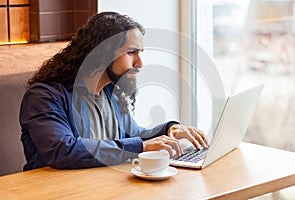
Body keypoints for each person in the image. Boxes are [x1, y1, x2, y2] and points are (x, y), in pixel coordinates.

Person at [19, 12, 208, 171]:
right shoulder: (45, 96)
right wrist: (140, 147)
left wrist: (169, 129)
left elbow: (133, 135)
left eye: (140, 53)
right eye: (131, 53)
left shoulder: (111, 93)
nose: (139, 63)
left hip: (101, 188)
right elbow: (62, 150)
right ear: (103, 53)